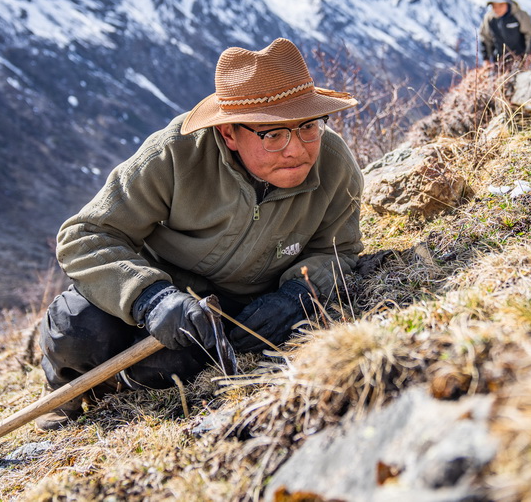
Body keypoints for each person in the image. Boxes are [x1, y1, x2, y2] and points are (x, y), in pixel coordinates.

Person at [35, 37, 364, 430]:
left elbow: (338, 250)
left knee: (172, 365)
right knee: (78, 329)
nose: (297, 149)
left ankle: (127, 383)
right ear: (228, 133)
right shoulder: (174, 155)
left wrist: (299, 294)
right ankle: (66, 392)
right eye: (272, 134)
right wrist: (150, 298)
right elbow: (84, 236)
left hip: (239, 312)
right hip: (158, 291)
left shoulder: (334, 162)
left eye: (308, 126)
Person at [478, 0, 531, 71]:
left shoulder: (520, 15)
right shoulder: (489, 18)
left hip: (520, 61)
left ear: (507, 3)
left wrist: (529, 56)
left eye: (500, 5)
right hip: (498, 62)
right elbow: (485, 38)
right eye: (494, 6)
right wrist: (486, 59)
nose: (497, 9)